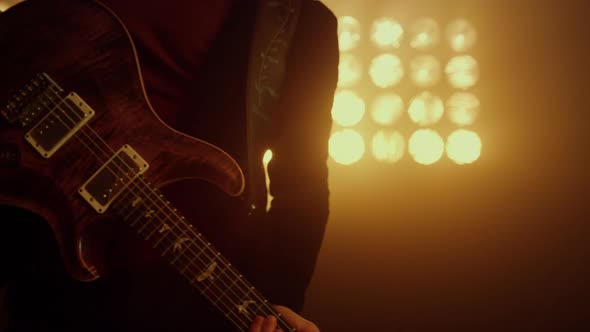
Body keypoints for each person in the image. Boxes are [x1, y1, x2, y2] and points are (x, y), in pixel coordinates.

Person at [0, 0, 338, 331]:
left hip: (193, 278)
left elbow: (301, 185)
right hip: (50, 254)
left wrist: (281, 304)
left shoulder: (299, 20)